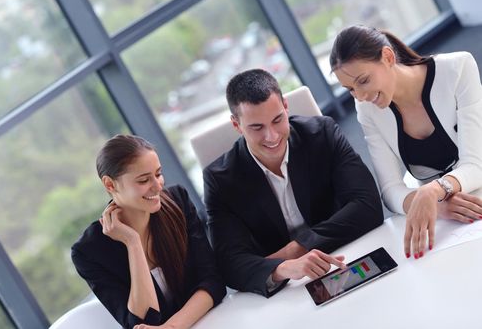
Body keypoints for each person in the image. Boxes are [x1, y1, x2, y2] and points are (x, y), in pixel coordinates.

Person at [203, 69, 383, 297]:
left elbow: (368, 205)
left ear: (286, 107)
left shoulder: (323, 133)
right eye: (257, 127)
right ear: (237, 125)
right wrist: (283, 267)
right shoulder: (220, 180)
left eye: (277, 119)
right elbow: (229, 265)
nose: (272, 136)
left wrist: (295, 249)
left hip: (346, 257)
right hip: (285, 289)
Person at [330, 25, 482, 260]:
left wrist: (433, 191)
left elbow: (475, 163)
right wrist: (436, 205)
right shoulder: (367, 110)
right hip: (455, 216)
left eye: (363, 81)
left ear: (388, 57)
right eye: (350, 89)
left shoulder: (457, 68)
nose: (360, 96)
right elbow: (389, 189)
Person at [72, 135, 225, 329]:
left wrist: (170, 327)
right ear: (110, 185)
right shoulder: (89, 252)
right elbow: (142, 322)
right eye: (144, 180)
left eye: (158, 174)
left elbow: (212, 282)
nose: (157, 185)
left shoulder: (178, 201)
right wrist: (132, 243)